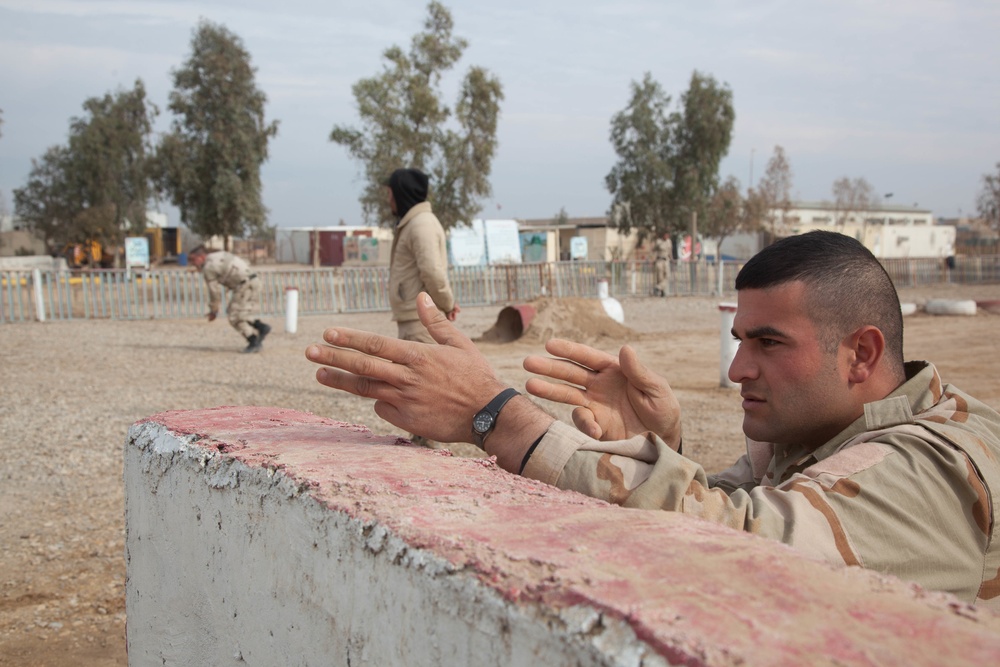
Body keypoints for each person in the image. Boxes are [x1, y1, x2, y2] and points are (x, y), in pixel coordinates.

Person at [304, 231, 1000, 608]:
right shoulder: (827, 426)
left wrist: (496, 416)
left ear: (862, 354)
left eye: (768, 344)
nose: (736, 372)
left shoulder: (933, 462)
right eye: (742, 340)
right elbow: (742, 503)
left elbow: (745, 544)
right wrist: (661, 446)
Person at [385, 167, 460, 343]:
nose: (388, 200)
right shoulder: (413, 223)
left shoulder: (421, 225)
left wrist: (447, 304)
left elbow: (432, 272)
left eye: (390, 193)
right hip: (414, 319)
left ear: (400, 194)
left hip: (420, 322)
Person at [189, 245, 271, 353]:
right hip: (253, 282)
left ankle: (253, 341)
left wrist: (214, 309)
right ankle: (261, 327)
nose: (193, 263)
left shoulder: (208, 267)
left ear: (201, 257)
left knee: (234, 316)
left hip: (244, 286)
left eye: (193, 260)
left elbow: (214, 291)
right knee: (239, 313)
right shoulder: (218, 255)